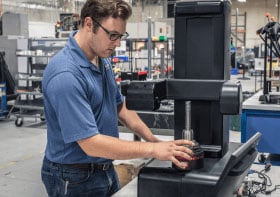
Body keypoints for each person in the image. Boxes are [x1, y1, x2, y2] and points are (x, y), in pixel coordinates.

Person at [41, 0, 194, 196]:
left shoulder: (100, 58)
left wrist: (153, 140)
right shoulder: (66, 75)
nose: (118, 43)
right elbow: (91, 143)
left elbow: (120, 106)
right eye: (113, 35)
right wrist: (151, 150)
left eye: (121, 36)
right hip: (73, 177)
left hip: (104, 167)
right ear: (89, 24)